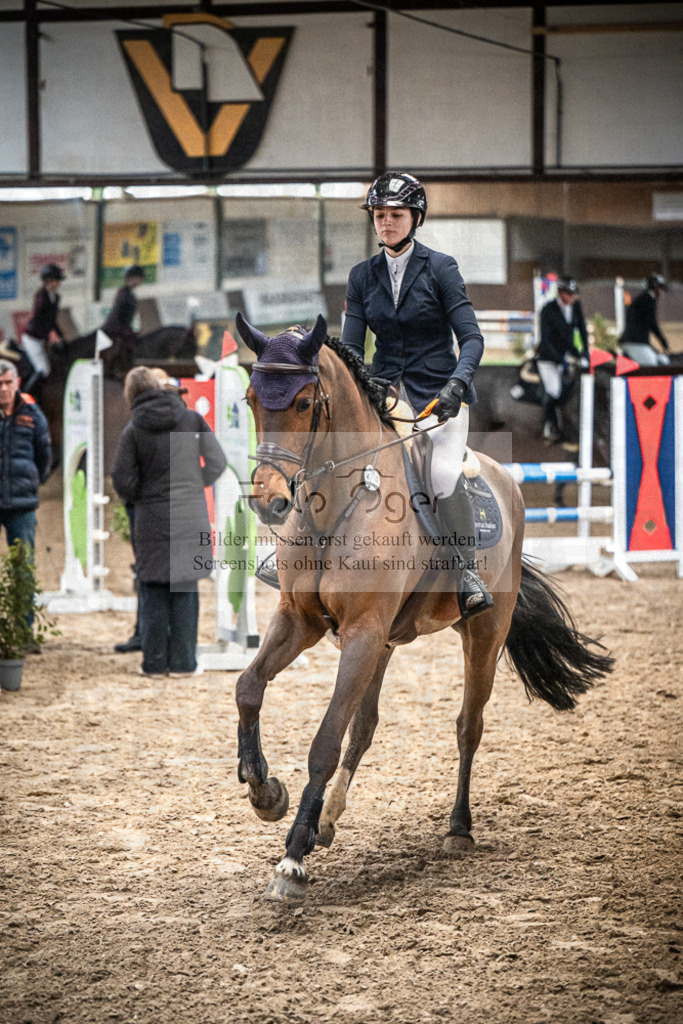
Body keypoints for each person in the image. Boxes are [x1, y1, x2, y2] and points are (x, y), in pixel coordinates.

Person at [341, 171, 492, 617]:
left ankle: (467, 573)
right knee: (339, 460)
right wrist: (361, 386)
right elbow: (351, 347)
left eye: (395, 215)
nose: (385, 222)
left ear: (416, 217)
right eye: (379, 215)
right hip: (384, 395)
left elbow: (472, 339)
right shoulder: (361, 276)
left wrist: (456, 386)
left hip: (436, 396)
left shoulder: (441, 268)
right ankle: (297, 555)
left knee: (444, 475)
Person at [112, 366, 226, 677]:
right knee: (185, 589)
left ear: (131, 394)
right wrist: (194, 484)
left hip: (151, 517)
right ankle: (184, 664)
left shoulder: (134, 430)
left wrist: (143, 495)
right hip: (191, 514)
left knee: (153, 590)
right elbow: (218, 462)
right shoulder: (191, 419)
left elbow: (122, 480)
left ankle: (153, 664)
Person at [0, 358, 52, 650]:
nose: (4, 389)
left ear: (17, 382)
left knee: (24, 569)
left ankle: (23, 632)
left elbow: (45, 455)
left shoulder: (33, 415)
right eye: (0, 385)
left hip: (22, 504)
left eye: (8, 383)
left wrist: (33, 483)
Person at [536, 277, 589, 444]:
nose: (572, 297)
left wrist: (584, 352)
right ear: (561, 293)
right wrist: (560, 359)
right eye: (569, 294)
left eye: (574, 294)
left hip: (566, 354)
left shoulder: (576, 307)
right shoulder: (548, 310)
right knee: (555, 390)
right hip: (548, 357)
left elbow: (582, 330)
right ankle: (549, 425)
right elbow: (545, 338)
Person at [21, 263, 65, 393]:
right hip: (33, 339)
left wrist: (62, 337)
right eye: (56, 280)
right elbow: (38, 323)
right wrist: (48, 339)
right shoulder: (41, 298)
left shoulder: (56, 297)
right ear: (48, 281)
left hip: (42, 338)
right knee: (43, 369)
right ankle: (27, 396)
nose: (59, 283)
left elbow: (52, 321)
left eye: (59, 280)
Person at [102, 265, 145, 378]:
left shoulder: (130, 293)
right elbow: (119, 316)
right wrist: (127, 331)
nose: (140, 282)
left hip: (123, 328)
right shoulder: (124, 293)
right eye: (139, 279)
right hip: (115, 329)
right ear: (132, 278)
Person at [619, 274, 671, 367]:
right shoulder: (647, 299)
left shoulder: (644, 298)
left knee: (658, 359)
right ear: (655, 287)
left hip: (636, 342)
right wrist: (663, 342)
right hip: (635, 343)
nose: (662, 292)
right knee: (652, 365)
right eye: (661, 288)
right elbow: (652, 323)